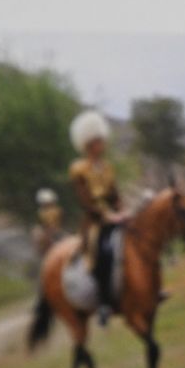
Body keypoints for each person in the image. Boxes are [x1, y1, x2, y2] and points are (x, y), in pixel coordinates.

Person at [69, 109, 125, 321]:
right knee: (103, 252)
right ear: (90, 144)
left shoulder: (108, 167)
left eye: (103, 139)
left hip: (114, 217)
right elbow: (86, 202)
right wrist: (107, 217)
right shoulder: (79, 170)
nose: (104, 143)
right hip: (94, 223)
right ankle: (103, 303)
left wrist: (122, 210)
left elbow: (114, 195)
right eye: (100, 140)